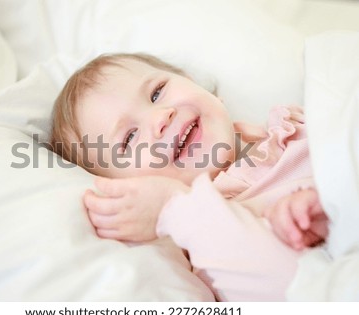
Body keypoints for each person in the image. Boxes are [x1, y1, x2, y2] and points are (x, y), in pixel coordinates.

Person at [50, 53, 329, 301]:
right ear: (131, 190)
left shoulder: (297, 126)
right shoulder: (209, 246)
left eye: (157, 93)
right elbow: (300, 297)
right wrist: (176, 207)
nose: (160, 117)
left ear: (195, 84)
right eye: (130, 138)